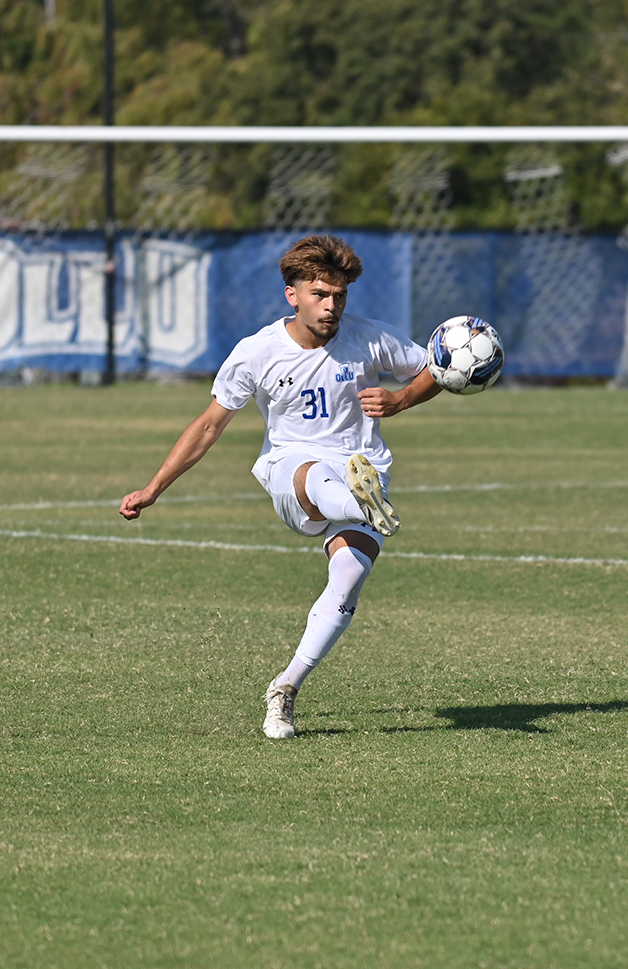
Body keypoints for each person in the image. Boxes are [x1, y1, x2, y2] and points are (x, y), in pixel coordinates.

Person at [119, 235, 441, 738]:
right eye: (319, 294)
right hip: (293, 473)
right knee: (315, 474)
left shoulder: (372, 338)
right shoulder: (258, 352)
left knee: (347, 581)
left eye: (339, 295)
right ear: (292, 294)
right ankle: (359, 503)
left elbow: (434, 369)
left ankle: (285, 689)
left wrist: (401, 401)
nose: (331, 305)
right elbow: (208, 425)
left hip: (363, 466)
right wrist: (154, 487)